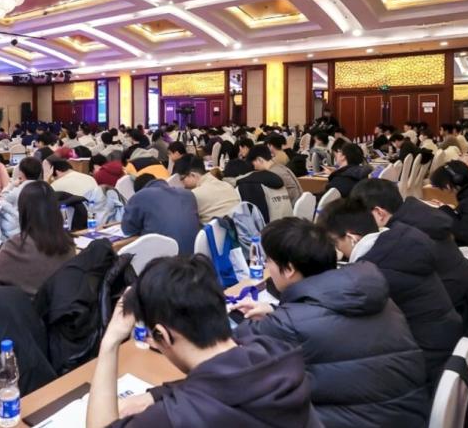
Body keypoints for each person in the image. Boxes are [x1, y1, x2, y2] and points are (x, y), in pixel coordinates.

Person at [231, 218, 428, 427]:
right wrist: (276, 311)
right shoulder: (378, 298)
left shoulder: (290, 323)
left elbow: (233, 346)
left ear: (288, 269)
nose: (266, 267)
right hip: (409, 416)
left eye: (269, 261)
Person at [87, 255, 320, 428]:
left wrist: (110, 342)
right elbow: (224, 382)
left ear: (163, 336)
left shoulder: (176, 417)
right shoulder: (275, 355)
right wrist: (156, 395)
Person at [319, 198, 463, 385]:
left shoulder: (373, 274)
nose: (337, 249)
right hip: (442, 345)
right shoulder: (398, 243)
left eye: (335, 242)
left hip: (424, 364)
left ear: (352, 237)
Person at [350, 179, 468, 311]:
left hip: (446, 303)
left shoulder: (402, 237)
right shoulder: (417, 214)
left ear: (379, 213)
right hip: (461, 291)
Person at [0, 181, 75, 295]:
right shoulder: (68, 242)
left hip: (26, 304)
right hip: (56, 303)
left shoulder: (19, 244)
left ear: (23, 210)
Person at [121, 173, 200, 254]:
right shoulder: (188, 194)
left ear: (140, 190)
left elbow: (127, 230)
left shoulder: (140, 196)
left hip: (165, 257)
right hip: (196, 256)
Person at [173, 155, 240, 223]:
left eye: (182, 179)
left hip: (217, 228)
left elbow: (181, 221)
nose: (181, 184)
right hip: (238, 225)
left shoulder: (194, 195)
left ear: (193, 175)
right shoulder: (226, 185)